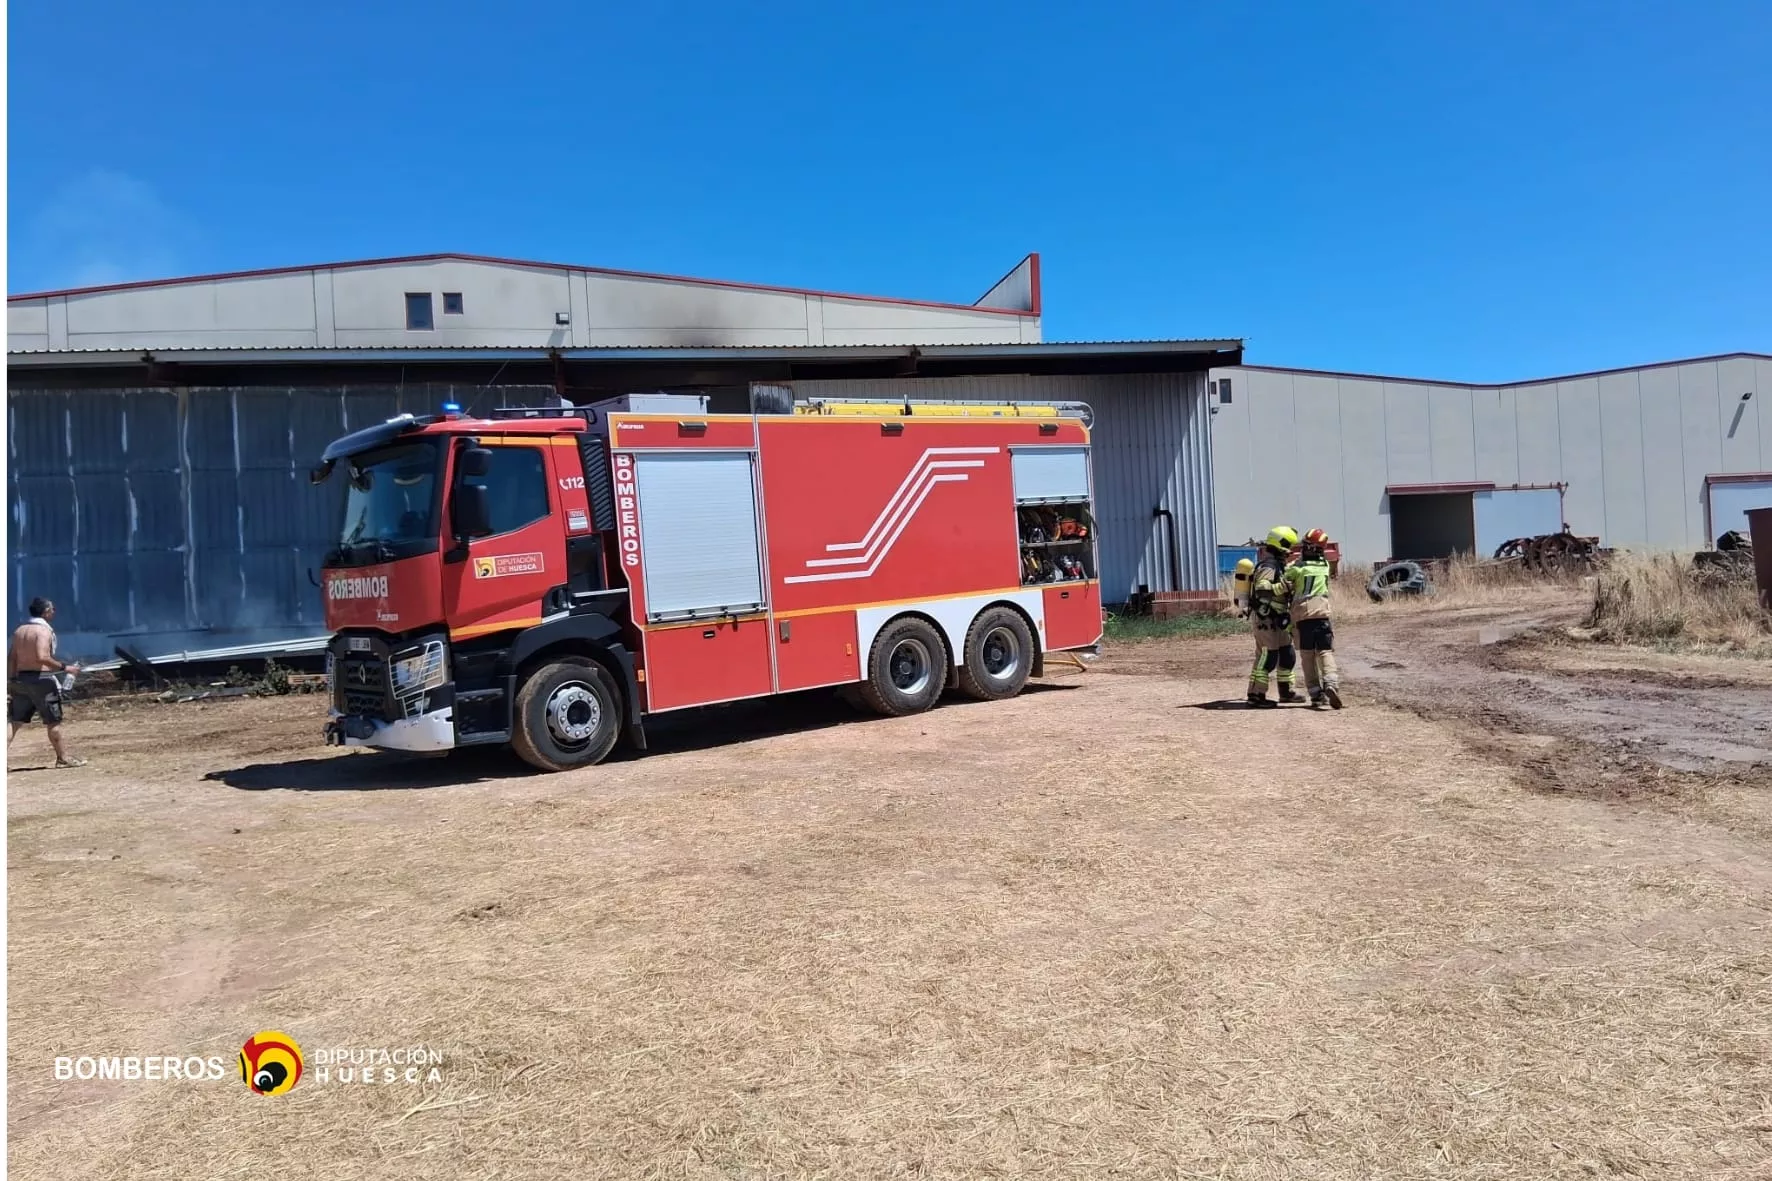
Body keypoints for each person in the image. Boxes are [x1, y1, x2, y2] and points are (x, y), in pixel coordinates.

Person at [8, 597, 86, 767]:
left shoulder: (19, 631)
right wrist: (66, 667)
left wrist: (10, 680)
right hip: (41, 680)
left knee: (14, 721)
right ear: (45, 612)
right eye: (52, 609)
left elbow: (12, 657)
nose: (54, 612)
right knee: (53, 721)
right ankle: (62, 758)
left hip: (20, 679)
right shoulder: (43, 631)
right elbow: (41, 656)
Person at [1286, 529, 1344, 710]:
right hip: (1322, 616)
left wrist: (1294, 561)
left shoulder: (1297, 569)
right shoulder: (1325, 566)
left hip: (1303, 617)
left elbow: (1286, 577)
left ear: (1309, 548)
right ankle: (1331, 684)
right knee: (1325, 652)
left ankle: (1315, 693)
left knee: (1307, 655)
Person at [1246, 526, 1300, 708]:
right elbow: (1262, 589)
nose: (1290, 551)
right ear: (1281, 545)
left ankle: (1286, 692)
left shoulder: (1280, 566)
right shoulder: (1268, 566)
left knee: (1288, 655)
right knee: (1267, 657)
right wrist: (1282, 587)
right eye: (1288, 547)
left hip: (1280, 619)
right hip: (1265, 619)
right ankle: (1256, 695)